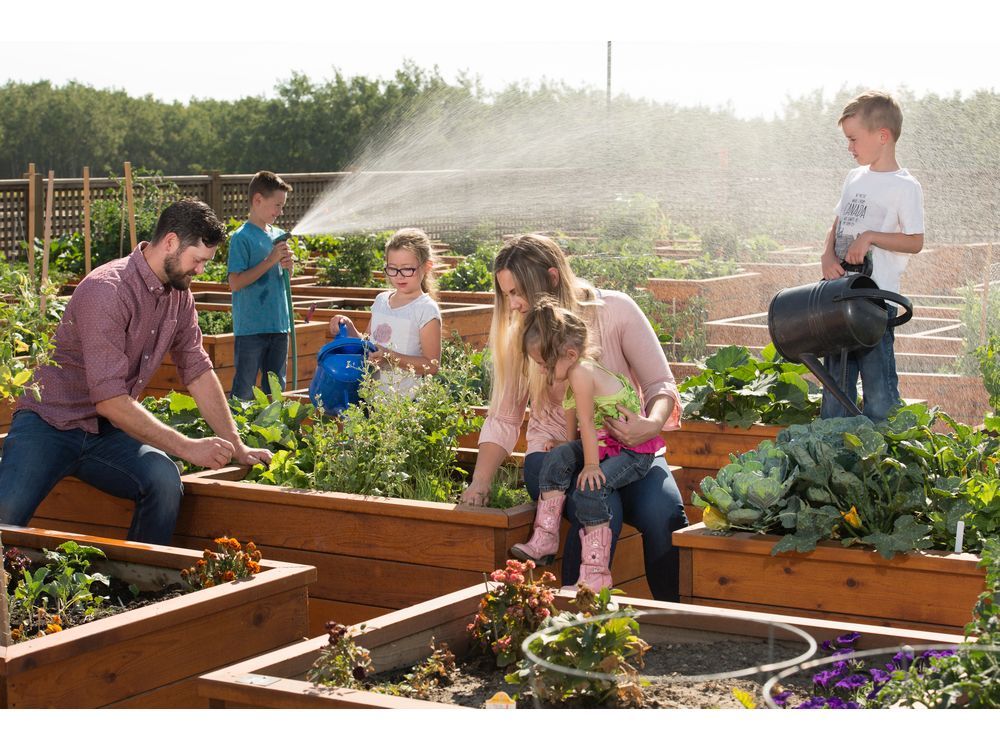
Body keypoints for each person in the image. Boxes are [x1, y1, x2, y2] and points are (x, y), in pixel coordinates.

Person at [0, 199, 275, 544]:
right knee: (6, 518)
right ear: (171, 242)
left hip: (106, 433)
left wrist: (236, 445)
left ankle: (141, 588)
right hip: (49, 424)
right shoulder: (108, 290)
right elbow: (111, 400)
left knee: (163, 480)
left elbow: (197, 369)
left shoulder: (179, 296)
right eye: (199, 260)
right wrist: (188, 447)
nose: (201, 271)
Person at [459, 234, 688, 601]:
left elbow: (661, 384)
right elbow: (504, 418)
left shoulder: (615, 309)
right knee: (597, 505)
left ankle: (677, 618)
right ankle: (572, 623)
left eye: (519, 292)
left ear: (551, 278)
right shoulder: (522, 336)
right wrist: (480, 483)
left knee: (665, 514)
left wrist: (651, 424)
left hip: (629, 449)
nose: (514, 304)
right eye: (507, 295)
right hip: (557, 455)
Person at [509, 300, 667, 591]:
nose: (542, 371)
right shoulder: (572, 374)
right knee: (557, 457)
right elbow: (576, 430)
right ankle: (545, 538)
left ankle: (595, 574)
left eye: (544, 364)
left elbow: (587, 422)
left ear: (569, 354)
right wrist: (566, 452)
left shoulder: (581, 372)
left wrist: (591, 465)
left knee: (592, 487)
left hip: (632, 451)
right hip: (607, 443)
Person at [819, 90, 925, 421]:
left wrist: (871, 238)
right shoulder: (854, 178)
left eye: (853, 140)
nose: (850, 148)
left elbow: (915, 241)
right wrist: (826, 255)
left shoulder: (905, 186)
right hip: (838, 301)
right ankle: (835, 464)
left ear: (882, 136)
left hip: (875, 308)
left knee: (879, 396)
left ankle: (886, 458)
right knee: (836, 396)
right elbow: (838, 223)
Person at [332, 228, 442, 395]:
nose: (399, 276)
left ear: (427, 266)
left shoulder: (425, 309)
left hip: (406, 404)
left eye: (407, 269)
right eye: (392, 268)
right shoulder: (381, 301)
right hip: (372, 399)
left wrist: (389, 358)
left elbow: (432, 365)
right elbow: (369, 344)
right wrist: (350, 329)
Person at [227, 171, 295, 400]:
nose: (280, 211)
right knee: (244, 389)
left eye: (282, 206)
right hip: (251, 329)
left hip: (279, 325)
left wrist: (287, 266)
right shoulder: (241, 237)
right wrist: (270, 261)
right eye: (277, 205)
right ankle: (235, 433)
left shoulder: (278, 235)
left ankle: (273, 434)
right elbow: (235, 283)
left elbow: (283, 275)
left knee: (276, 391)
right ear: (257, 200)